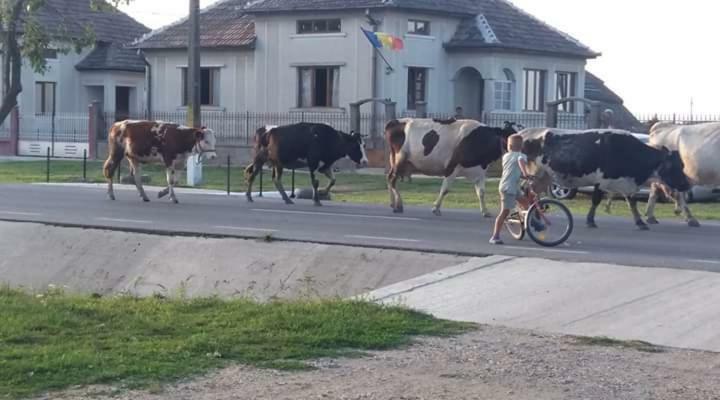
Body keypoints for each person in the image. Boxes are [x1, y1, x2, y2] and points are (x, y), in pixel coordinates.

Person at [489, 134, 531, 245]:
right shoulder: (521, 156)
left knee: (525, 203)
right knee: (504, 212)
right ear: (521, 147)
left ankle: (523, 220)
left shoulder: (506, 156)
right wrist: (526, 174)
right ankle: (495, 236)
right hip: (508, 188)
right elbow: (521, 163)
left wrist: (523, 176)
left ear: (509, 146)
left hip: (512, 186)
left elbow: (513, 170)